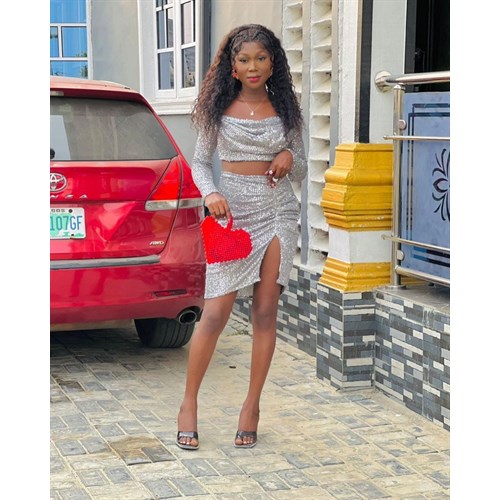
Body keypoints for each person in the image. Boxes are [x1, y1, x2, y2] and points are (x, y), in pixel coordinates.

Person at [176, 23, 307, 450]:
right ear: (232, 66)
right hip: (231, 214)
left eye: (261, 58)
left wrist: (288, 155)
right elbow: (199, 162)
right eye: (245, 59)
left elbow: (302, 166)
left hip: (278, 210)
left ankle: (252, 406)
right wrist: (210, 193)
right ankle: (188, 404)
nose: (253, 67)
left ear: (273, 63)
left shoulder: (286, 109)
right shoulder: (217, 109)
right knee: (215, 313)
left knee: (266, 312)